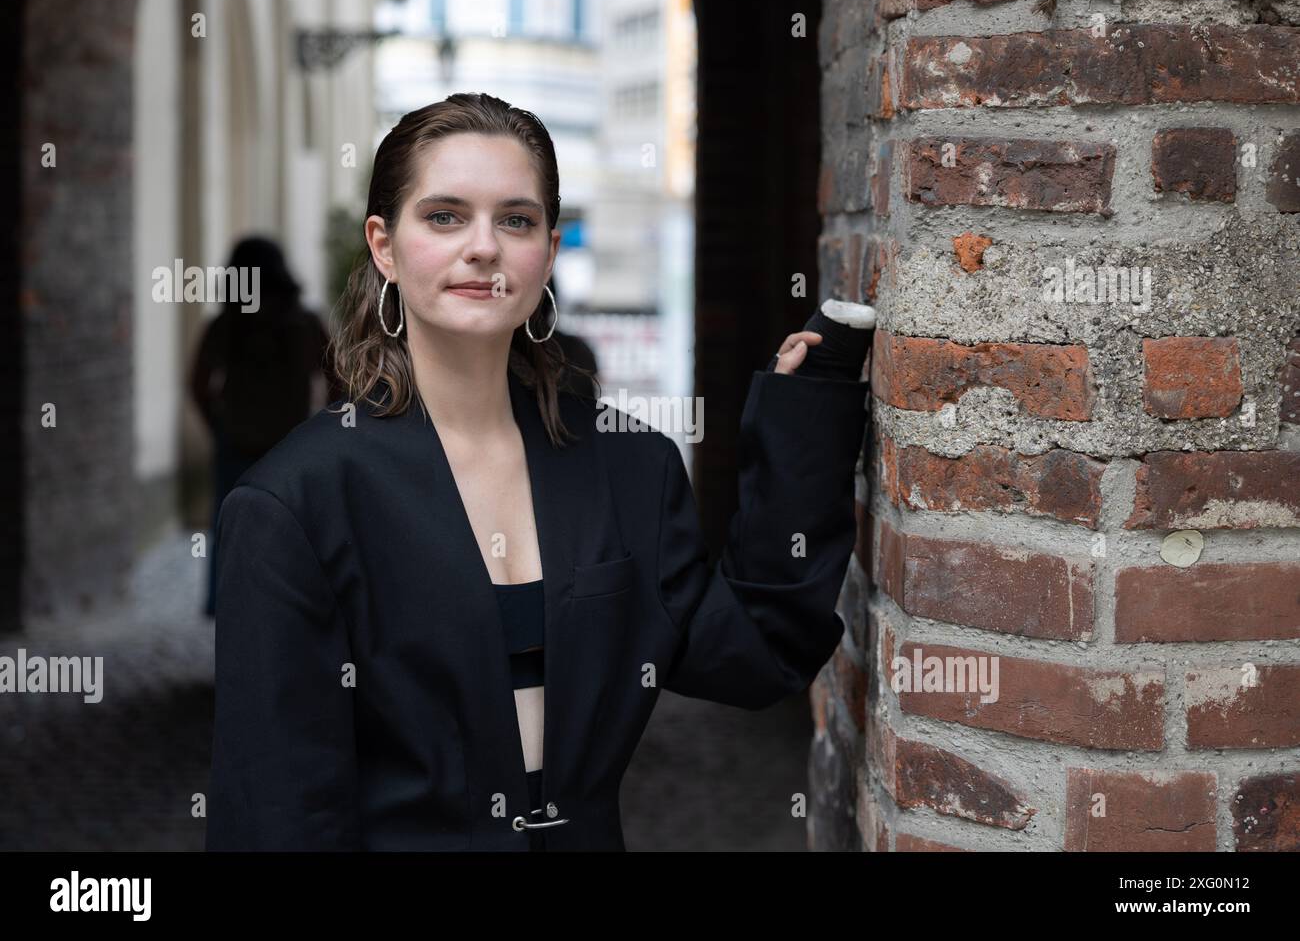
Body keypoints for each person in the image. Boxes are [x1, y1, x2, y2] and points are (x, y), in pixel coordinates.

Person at [205, 92, 871, 852]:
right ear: (385, 247)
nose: (483, 247)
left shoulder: (631, 468)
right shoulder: (292, 504)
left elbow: (756, 652)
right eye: (445, 216)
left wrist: (806, 419)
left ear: (548, 252)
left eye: (516, 220)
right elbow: (275, 816)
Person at [188, 236, 335, 618]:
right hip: (289, 449)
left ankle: (229, 606)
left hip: (237, 443)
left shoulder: (225, 326)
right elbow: (338, 380)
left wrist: (219, 425)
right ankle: (287, 607)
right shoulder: (304, 324)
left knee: (231, 532)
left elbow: (198, 384)